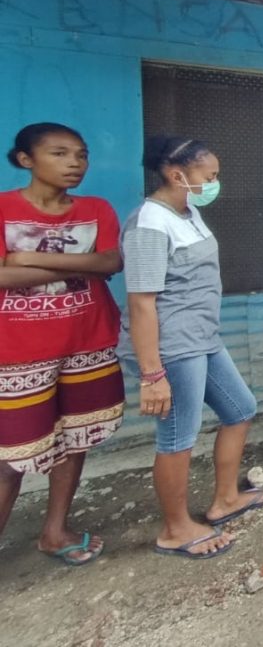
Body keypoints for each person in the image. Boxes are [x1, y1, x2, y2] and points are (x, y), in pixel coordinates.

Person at [120, 136, 263, 559]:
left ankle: (225, 499)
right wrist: (153, 374)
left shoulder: (187, 213)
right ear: (178, 175)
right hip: (173, 346)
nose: (214, 183)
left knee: (240, 408)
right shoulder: (149, 223)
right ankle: (175, 529)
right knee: (178, 436)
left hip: (203, 337)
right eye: (210, 176)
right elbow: (141, 302)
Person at [0, 123, 125, 566]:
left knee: (75, 439)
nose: (75, 163)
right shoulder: (3, 208)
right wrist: (82, 265)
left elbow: (110, 262)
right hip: (16, 352)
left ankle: (55, 530)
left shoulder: (97, 209)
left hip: (86, 343)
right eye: (60, 153)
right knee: (10, 455)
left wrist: (27, 258)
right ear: (25, 160)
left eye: (81, 154)